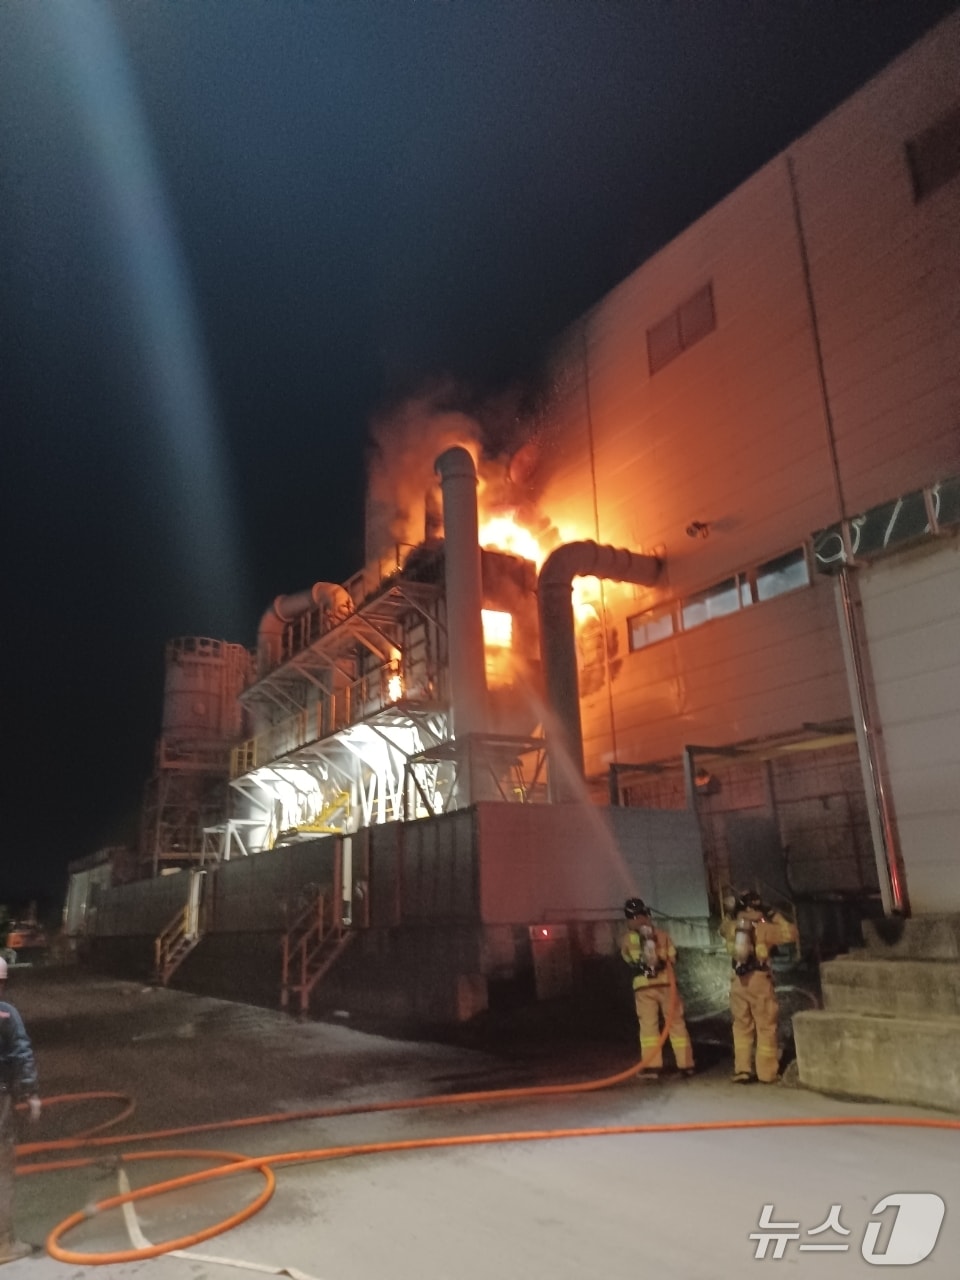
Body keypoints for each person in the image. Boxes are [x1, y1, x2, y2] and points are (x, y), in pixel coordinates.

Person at [719, 889, 799, 1084]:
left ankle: (742, 1070)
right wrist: (775, 915)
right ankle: (767, 1073)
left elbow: (722, 928)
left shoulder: (732, 928)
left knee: (741, 1027)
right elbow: (792, 933)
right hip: (760, 982)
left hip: (738, 982)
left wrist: (732, 914)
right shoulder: (765, 929)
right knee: (766, 1027)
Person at [620, 898, 695, 1079]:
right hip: (667, 985)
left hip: (644, 987)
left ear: (629, 918)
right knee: (676, 1024)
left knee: (649, 1028)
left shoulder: (628, 938)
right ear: (647, 914)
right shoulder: (662, 935)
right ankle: (686, 1065)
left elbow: (628, 959)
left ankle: (652, 1067)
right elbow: (673, 957)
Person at [0, 956, 41, 1265]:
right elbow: (20, 1053)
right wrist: (29, 1093)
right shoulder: (6, 1014)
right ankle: (3, 1244)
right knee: (2, 1169)